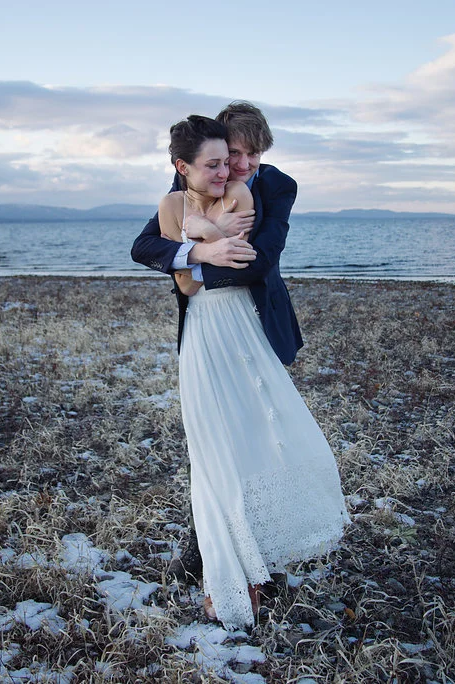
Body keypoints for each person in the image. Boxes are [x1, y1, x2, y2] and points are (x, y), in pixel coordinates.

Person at [136, 110, 349, 629]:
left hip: (252, 322)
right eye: (235, 154)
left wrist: (198, 250)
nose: (243, 164)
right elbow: (147, 246)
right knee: (214, 442)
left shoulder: (277, 186)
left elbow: (259, 260)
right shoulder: (196, 176)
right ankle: (213, 552)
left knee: (261, 435)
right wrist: (201, 245)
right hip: (205, 329)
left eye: (254, 155)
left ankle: (261, 551)